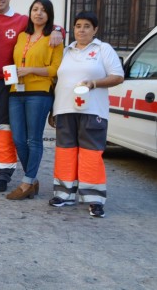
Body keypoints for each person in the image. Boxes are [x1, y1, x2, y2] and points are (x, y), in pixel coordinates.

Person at [0, 0, 64, 192]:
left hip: (9, 86)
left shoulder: (22, 21)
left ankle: (3, 173)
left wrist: (59, 29)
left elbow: (46, 26)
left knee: (7, 131)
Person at [49, 11, 123, 218]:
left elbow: (118, 76)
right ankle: (64, 194)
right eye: (78, 25)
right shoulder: (66, 51)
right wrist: (53, 109)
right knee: (65, 152)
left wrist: (95, 83)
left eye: (87, 26)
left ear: (95, 29)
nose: (81, 30)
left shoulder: (103, 49)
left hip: (93, 110)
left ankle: (94, 199)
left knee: (91, 153)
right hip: (65, 109)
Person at [6, 0, 63, 200]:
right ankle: (32, 179)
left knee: (33, 139)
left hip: (39, 92)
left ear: (49, 15)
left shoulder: (54, 38)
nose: (38, 13)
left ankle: (27, 181)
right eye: (35, 9)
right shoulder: (22, 35)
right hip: (16, 91)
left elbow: (56, 69)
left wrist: (30, 69)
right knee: (18, 139)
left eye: (43, 10)